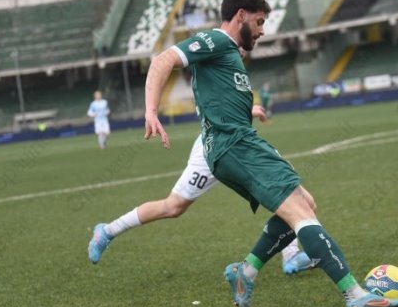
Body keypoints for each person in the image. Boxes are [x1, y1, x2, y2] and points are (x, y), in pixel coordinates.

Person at [141, 0, 398, 307]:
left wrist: (246, 109)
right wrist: (152, 109)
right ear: (240, 15)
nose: (262, 30)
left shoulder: (228, 54)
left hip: (237, 143)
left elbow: (215, 97)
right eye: (259, 21)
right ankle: (355, 295)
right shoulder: (217, 40)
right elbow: (163, 59)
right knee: (301, 213)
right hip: (234, 146)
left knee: (305, 202)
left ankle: (247, 271)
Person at [87, 105, 315, 275]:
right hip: (212, 148)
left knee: (283, 194)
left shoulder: (233, 59)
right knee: (173, 206)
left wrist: (247, 110)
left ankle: (291, 255)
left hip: (239, 146)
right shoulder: (212, 55)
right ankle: (107, 231)